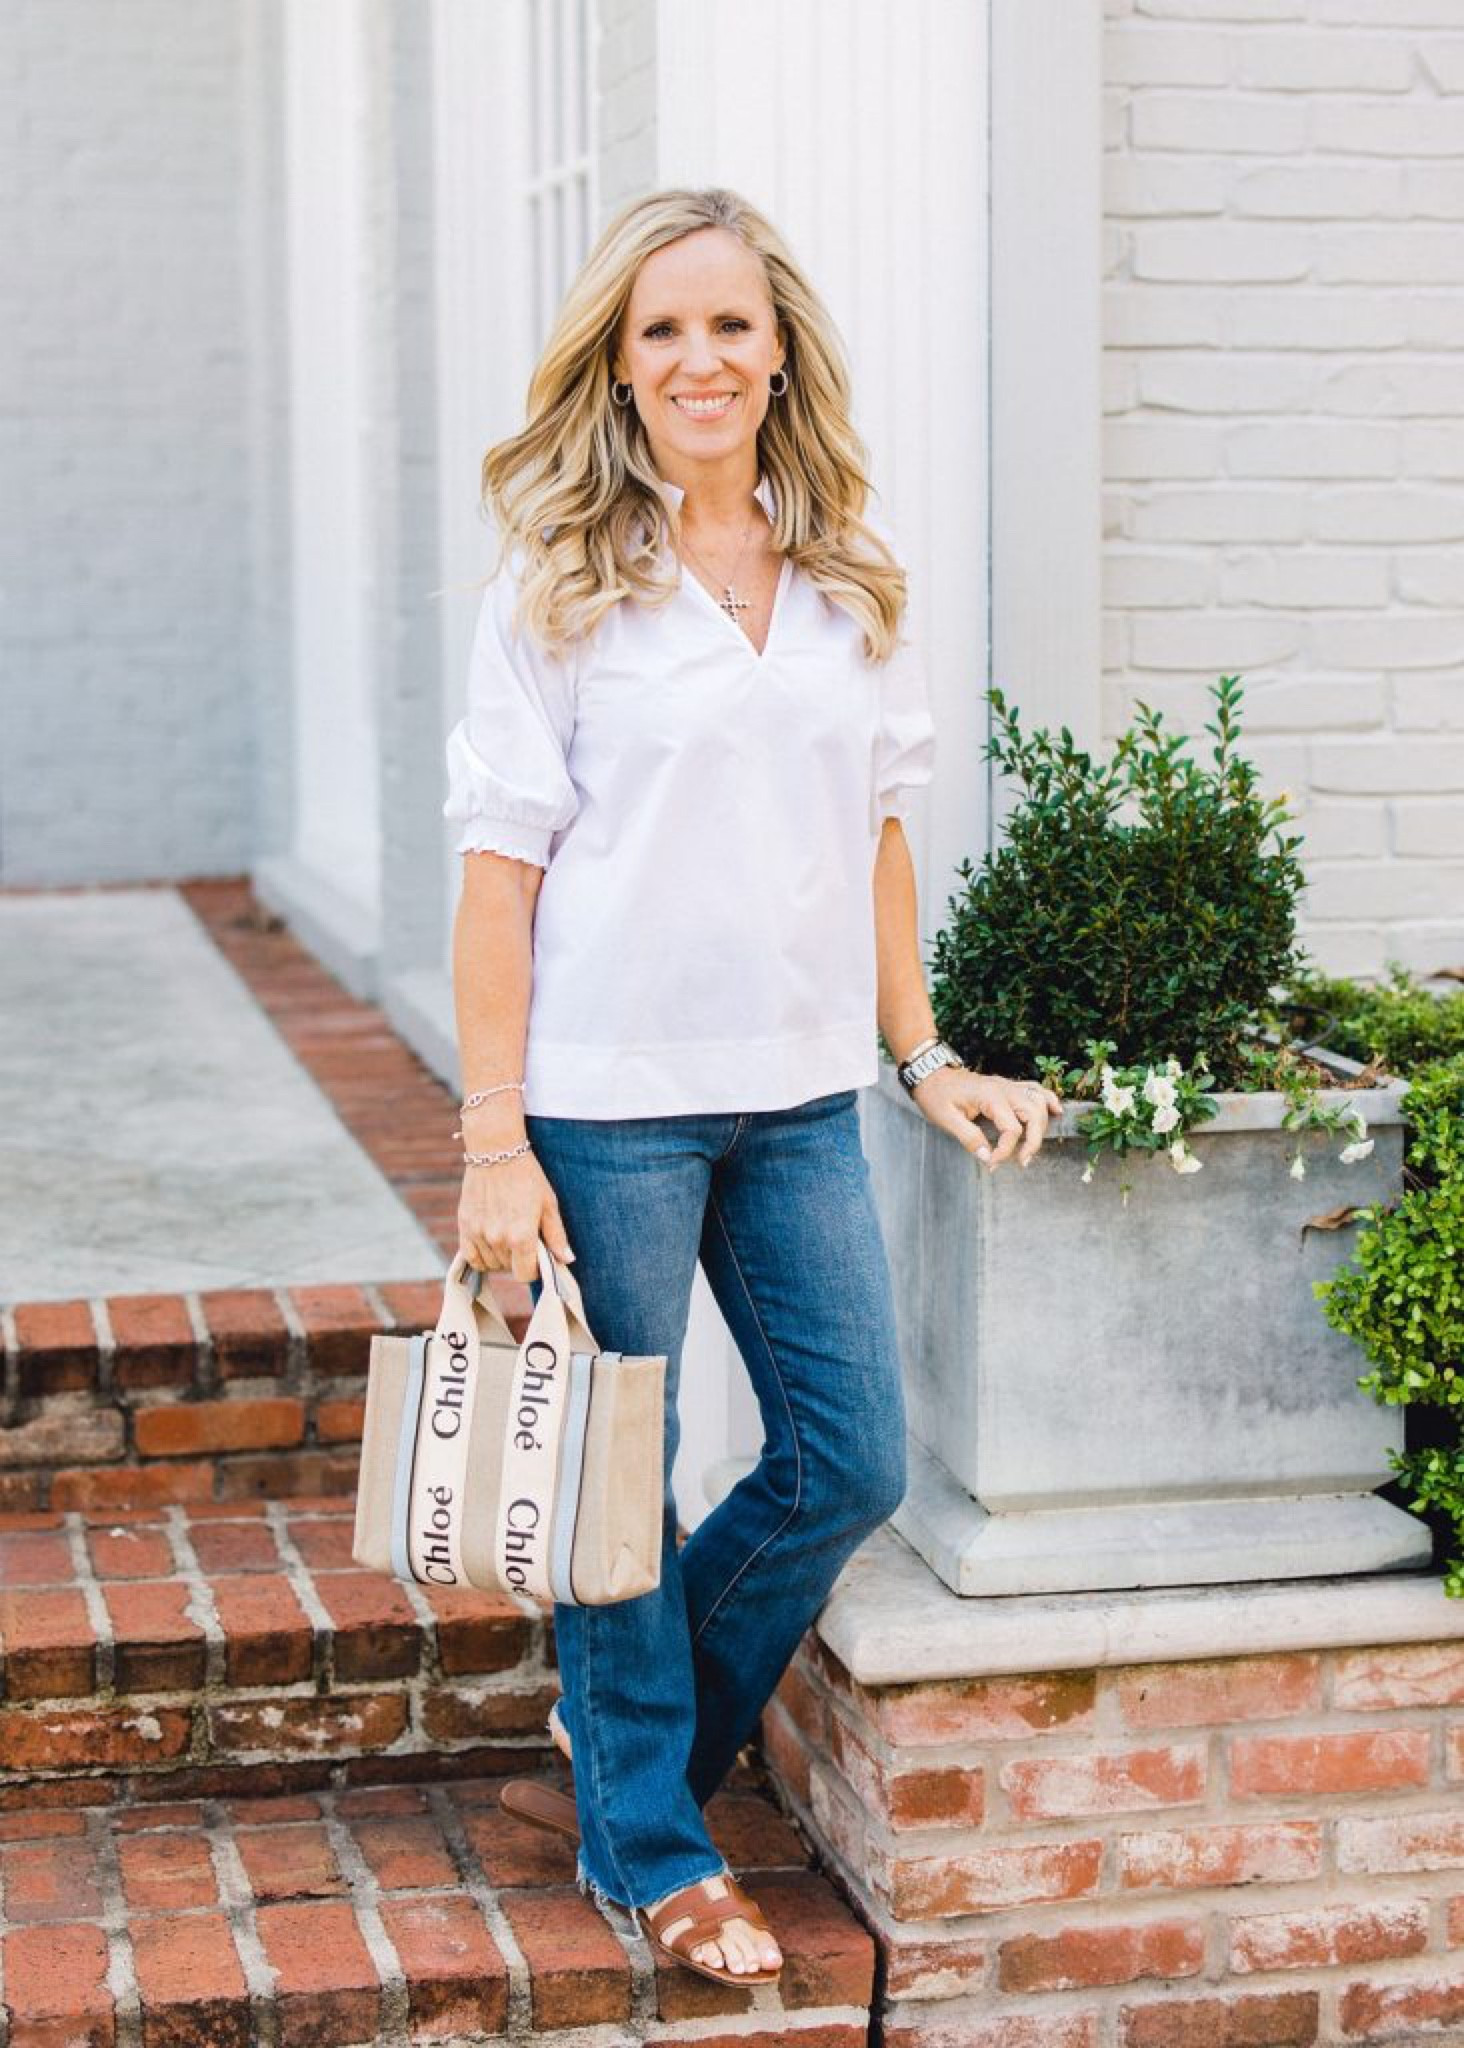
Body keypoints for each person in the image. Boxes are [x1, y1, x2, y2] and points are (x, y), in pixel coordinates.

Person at [444, 185, 1062, 1990]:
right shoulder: (558, 578)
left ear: (777, 345)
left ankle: (630, 1757)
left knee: (847, 1456)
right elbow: (502, 873)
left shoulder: (850, 567)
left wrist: (921, 1051)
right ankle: (653, 1845)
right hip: (606, 1099)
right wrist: (495, 1139)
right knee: (615, 1484)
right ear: (617, 369)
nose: (699, 359)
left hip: (796, 1094)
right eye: (660, 332)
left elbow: (872, 834)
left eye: (728, 325)